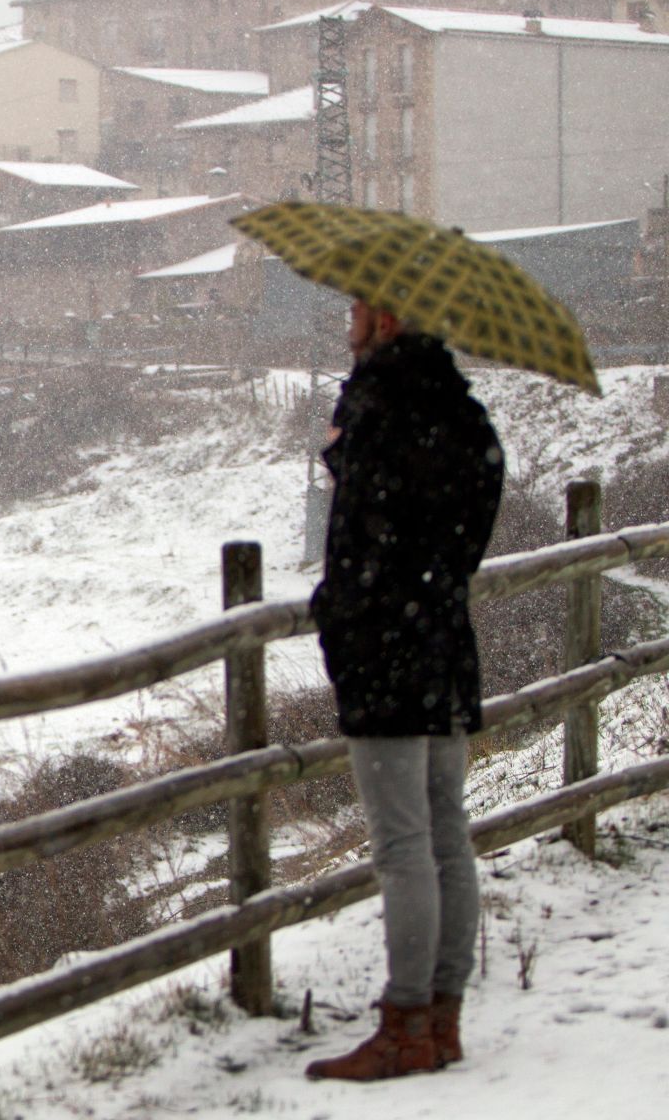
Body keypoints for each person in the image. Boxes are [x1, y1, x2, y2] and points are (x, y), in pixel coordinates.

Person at [304, 299, 504, 1083]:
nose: (348, 319)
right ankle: (441, 1019)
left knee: (402, 843)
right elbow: (453, 528)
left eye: (357, 308)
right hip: (444, 638)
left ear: (386, 321)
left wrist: (337, 616)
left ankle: (404, 1023)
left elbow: (368, 536)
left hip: (387, 649)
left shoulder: (383, 410)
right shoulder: (461, 414)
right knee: (446, 832)